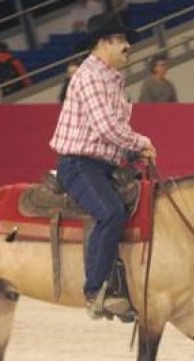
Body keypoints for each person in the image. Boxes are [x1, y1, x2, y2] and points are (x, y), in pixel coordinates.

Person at [50, 12, 157, 320]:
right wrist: (141, 142)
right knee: (111, 212)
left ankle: (124, 288)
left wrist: (132, 153)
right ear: (105, 42)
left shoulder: (111, 79)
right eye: (122, 40)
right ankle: (95, 291)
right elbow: (105, 126)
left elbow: (112, 133)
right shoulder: (91, 77)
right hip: (79, 165)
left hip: (102, 165)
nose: (127, 47)